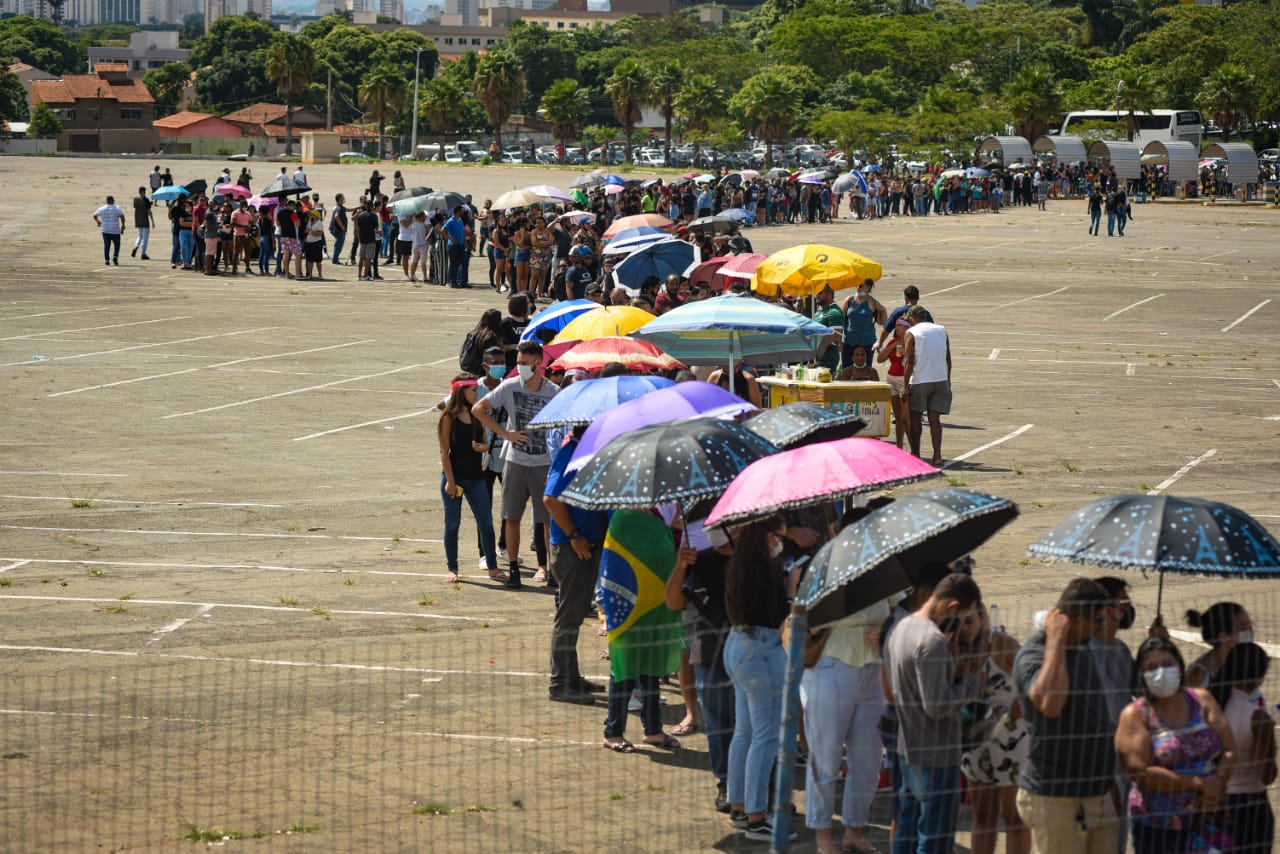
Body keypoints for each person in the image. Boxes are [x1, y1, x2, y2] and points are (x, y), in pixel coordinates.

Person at [1014, 578, 1119, 854]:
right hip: (1056, 798)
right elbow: (1050, 703)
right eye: (1097, 621)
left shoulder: (1084, 649)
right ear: (1073, 620)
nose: (1101, 628)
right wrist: (1056, 639)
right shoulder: (1034, 655)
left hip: (1098, 794)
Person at [887, 571, 983, 854]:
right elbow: (937, 705)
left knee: (906, 831)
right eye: (964, 616)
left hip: (907, 750)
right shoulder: (932, 641)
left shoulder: (901, 627)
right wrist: (971, 685)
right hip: (937, 756)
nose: (964, 625)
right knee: (934, 840)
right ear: (953, 606)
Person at [1115, 636, 1236, 854]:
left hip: (1209, 816)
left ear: (1180, 668)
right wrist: (1199, 784)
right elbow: (1139, 771)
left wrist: (1217, 784)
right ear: (1142, 675)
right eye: (1152, 667)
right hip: (1161, 827)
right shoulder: (1136, 714)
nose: (1161, 672)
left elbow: (1229, 748)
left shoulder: (1202, 700)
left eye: (1168, 664)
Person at [723, 515, 797, 843]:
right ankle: (756, 816)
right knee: (765, 736)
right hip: (760, 649)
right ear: (769, 536)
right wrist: (791, 589)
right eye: (780, 536)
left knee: (745, 732)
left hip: (737, 646)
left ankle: (738, 805)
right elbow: (777, 614)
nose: (783, 542)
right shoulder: (765, 567)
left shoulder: (741, 562)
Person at [802, 598, 891, 854]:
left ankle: (855, 832)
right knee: (825, 761)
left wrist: (888, 631)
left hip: (873, 672)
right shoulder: (827, 576)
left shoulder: (881, 572)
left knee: (869, 762)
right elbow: (805, 620)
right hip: (830, 669)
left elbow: (899, 611)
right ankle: (823, 839)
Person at [471, 340, 558, 590]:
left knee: (547, 519)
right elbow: (480, 408)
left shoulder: (553, 391)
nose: (518, 367)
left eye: (522, 363)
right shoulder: (509, 387)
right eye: (517, 363)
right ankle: (514, 569)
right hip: (515, 460)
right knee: (511, 517)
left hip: (543, 461)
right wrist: (505, 433)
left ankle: (551, 568)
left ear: (537, 363)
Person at [598, 509, 683, 753]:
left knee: (652, 666)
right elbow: (614, 564)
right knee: (624, 665)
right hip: (626, 604)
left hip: (656, 601)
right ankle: (612, 732)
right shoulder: (623, 520)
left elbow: (665, 552)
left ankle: (653, 730)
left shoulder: (659, 517)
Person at [666, 522, 735, 813]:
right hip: (709, 654)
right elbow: (673, 601)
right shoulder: (701, 561)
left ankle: (761, 791)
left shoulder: (757, 561)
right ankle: (726, 783)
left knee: (753, 729)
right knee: (719, 727)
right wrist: (681, 566)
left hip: (749, 657)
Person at [542, 425, 609, 704]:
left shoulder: (589, 453)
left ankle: (571, 677)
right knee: (569, 616)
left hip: (585, 544)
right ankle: (560, 684)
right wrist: (573, 536)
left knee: (576, 613)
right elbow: (551, 499)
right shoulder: (571, 454)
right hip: (572, 548)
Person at [960, 603, 1031, 854]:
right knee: (983, 818)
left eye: (969, 621)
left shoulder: (1002, 644)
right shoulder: (955, 647)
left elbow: (1033, 683)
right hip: (976, 740)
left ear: (982, 618)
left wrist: (1018, 704)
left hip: (1011, 739)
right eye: (958, 623)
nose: (964, 629)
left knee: (1017, 819)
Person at [1210, 643, 1276, 853]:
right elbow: (1266, 775)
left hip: (1212, 799)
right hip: (1250, 807)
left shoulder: (1209, 706)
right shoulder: (1257, 718)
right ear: (1259, 676)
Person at [438, 374, 498, 584]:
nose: (476, 393)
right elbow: (444, 452)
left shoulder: (476, 414)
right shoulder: (448, 417)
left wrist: (484, 447)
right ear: (461, 391)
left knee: (486, 523)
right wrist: (451, 481)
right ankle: (452, 568)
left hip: (476, 478)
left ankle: (492, 566)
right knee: (453, 524)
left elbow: (485, 442)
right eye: (472, 390)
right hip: (455, 477)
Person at [902, 305, 951, 467]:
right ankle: (937, 455)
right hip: (940, 379)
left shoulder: (912, 333)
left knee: (915, 418)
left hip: (920, 381)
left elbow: (909, 362)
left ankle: (916, 454)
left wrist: (904, 385)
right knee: (935, 420)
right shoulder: (941, 329)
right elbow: (948, 357)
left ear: (912, 318)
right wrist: (948, 379)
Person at [1185, 602, 1252, 687]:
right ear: (1224, 637)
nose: (1250, 631)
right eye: (1244, 627)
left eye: (1250, 626)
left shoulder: (1241, 663)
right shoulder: (1198, 677)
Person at [841, 280, 887, 370]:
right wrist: (839, 340)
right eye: (857, 285)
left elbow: (882, 322)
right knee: (846, 371)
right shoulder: (849, 300)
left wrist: (882, 309)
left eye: (861, 286)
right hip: (848, 343)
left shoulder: (872, 302)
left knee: (865, 371)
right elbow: (840, 320)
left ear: (868, 287)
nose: (858, 287)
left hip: (867, 343)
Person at [812, 285, 844, 372]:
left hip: (828, 359)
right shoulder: (819, 311)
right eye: (816, 293)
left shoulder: (834, 312)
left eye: (820, 293)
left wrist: (817, 345)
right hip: (816, 357)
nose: (816, 296)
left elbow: (836, 338)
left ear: (829, 294)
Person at [94, 195, 126, 266]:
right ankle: (115, 256)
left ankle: (107, 260)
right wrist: (123, 225)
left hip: (105, 230)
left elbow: (95, 215)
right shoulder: (117, 208)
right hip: (115, 230)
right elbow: (122, 216)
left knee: (107, 245)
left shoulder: (102, 208)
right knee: (117, 244)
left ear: (107, 201)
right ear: (112, 200)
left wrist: (98, 222)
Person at [355, 201, 380, 282]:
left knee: (361, 258)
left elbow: (358, 227)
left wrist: (359, 236)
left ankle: (359, 275)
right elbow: (376, 227)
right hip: (371, 239)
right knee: (369, 258)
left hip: (362, 238)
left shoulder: (361, 215)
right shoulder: (374, 215)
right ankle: (365, 275)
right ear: (372, 206)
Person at [444, 206, 468, 289]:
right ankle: (451, 281)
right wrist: (450, 238)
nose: (463, 213)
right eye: (461, 211)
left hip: (460, 245)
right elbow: (442, 230)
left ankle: (461, 281)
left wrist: (465, 242)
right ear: (458, 212)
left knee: (464, 262)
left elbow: (462, 232)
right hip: (453, 246)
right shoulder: (450, 221)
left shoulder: (460, 220)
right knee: (454, 264)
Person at [129, 186, 154, 260]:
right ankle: (143, 253)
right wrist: (152, 221)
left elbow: (137, 207)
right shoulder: (146, 200)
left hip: (138, 219)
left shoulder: (136, 200)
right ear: (144, 192)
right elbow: (149, 211)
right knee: (145, 238)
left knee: (140, 236)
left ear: (139, 192)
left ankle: (135, 246)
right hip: (145, 220)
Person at [329, 194, 348, 265]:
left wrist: (357, 207)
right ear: (339, 199)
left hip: (336, 229)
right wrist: (342, 227)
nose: (343, 199)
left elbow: (348, 209)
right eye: (342, 198)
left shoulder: (339, 207)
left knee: (338, 244)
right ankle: (335, 259)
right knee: (339, 244)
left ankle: (335, 259)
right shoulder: (338, 208)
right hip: (338, 229)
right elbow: (336, 217)